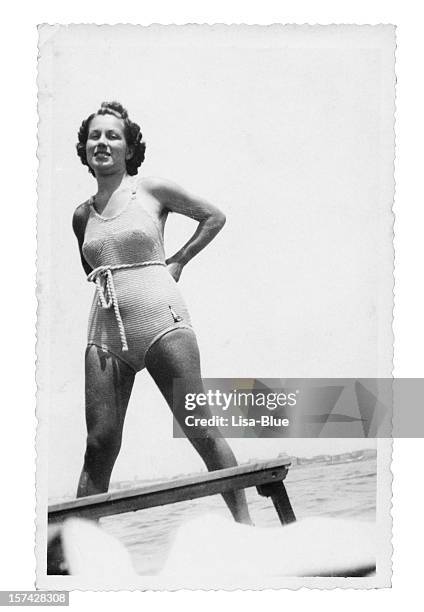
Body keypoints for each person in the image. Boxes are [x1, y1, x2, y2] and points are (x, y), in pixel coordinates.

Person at [72, 101, 251, 524]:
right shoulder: (82, 215)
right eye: (94, 136)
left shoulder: (151, 190)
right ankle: (67, 558)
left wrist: (179, 260)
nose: (102, 142)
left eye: (112, 135)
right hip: (106, 328)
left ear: (129, 148)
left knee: (199, 427)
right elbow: (92, 266)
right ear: (84, 148)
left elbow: (213, 216)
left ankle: (247, 532)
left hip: (161, 317)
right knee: (99, 444)